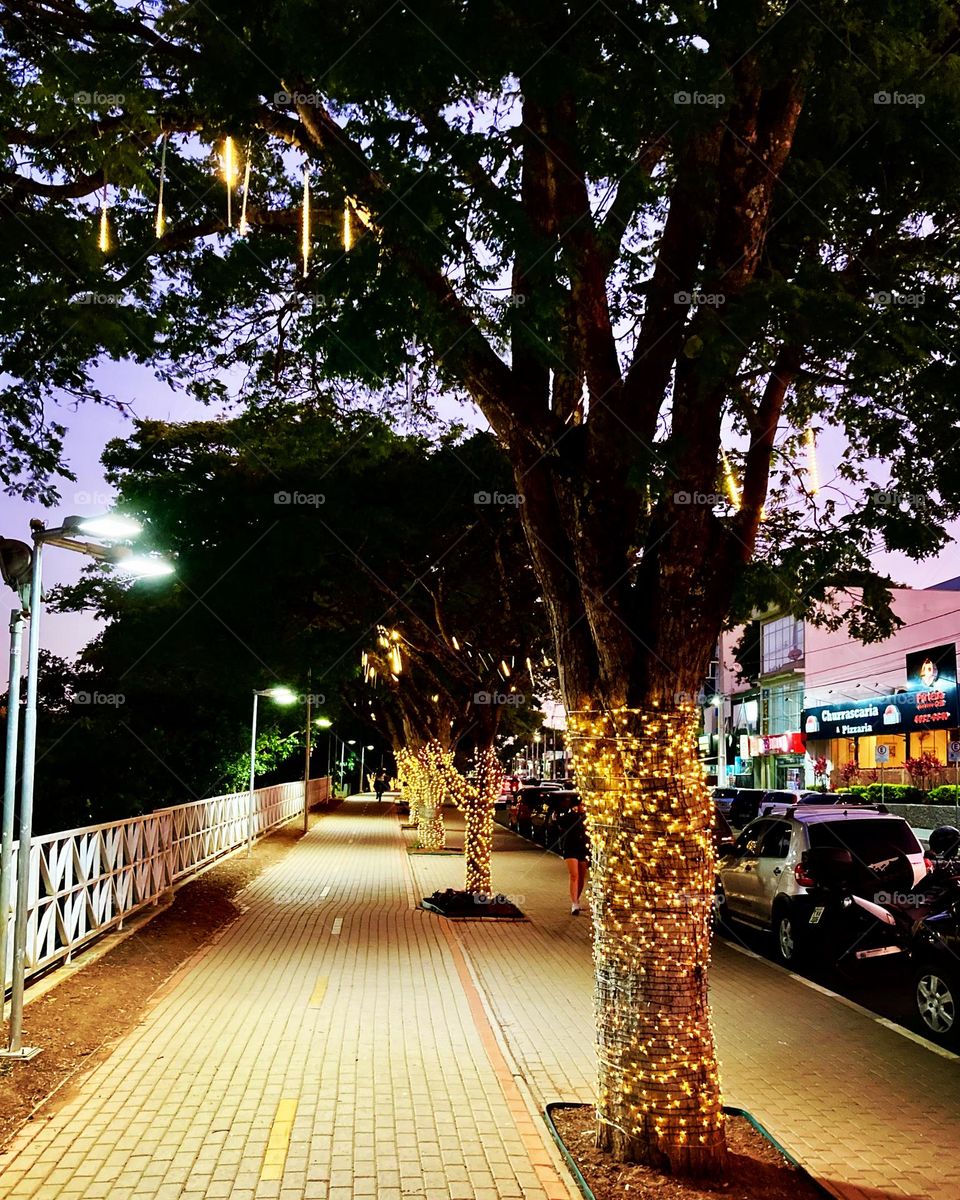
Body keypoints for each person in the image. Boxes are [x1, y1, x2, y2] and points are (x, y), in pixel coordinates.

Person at [554, 799, 590, 915]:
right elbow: (559, 822)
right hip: (570, 847)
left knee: (581, 876)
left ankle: (577, 899)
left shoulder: (588, 818)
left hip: (583, 848)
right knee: (574, 875)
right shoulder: (571, 816)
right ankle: (574, 903)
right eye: (582, 805)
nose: (583, 807)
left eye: (585, 805)